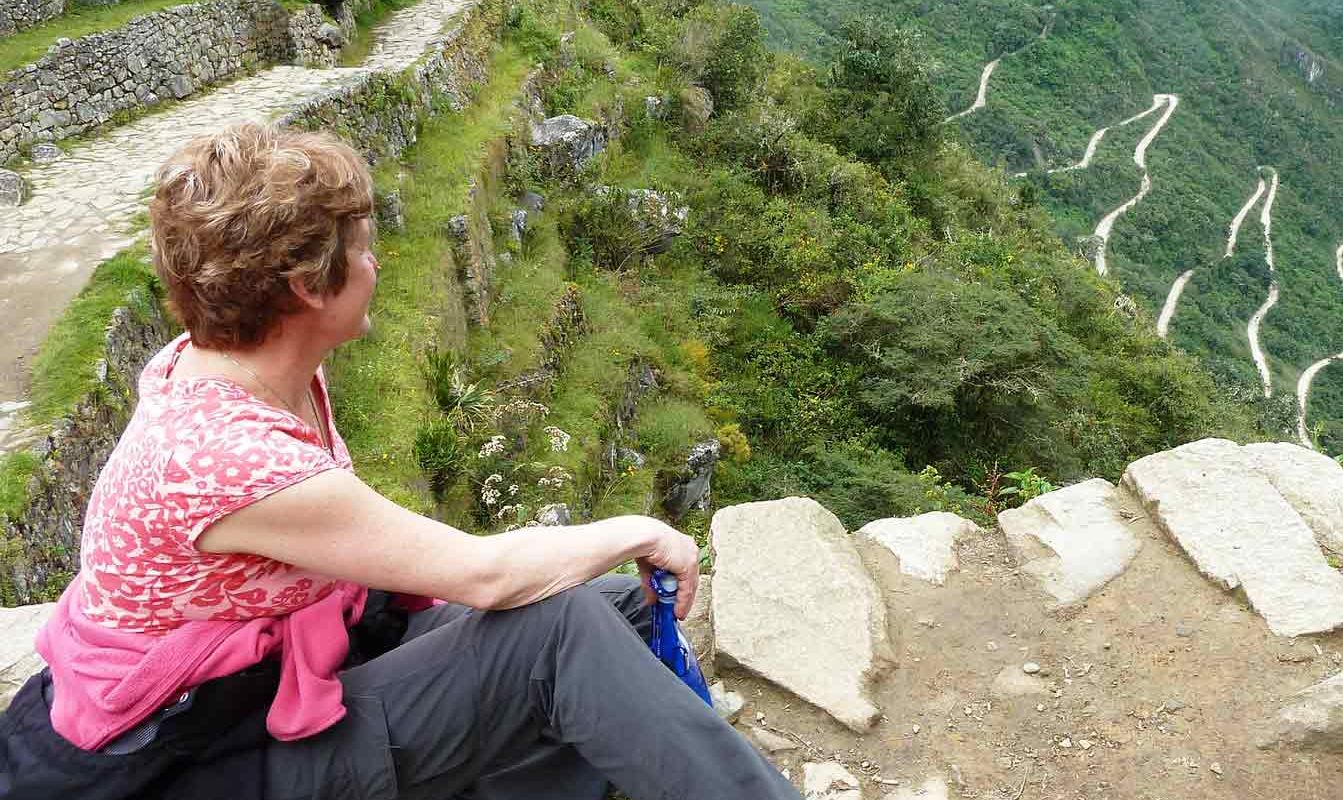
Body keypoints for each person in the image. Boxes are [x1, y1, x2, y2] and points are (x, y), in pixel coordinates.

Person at [0, 121, 800, 800]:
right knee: (556, 632)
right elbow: (482, 574)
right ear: (308, 286)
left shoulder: (246, 363)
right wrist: (638, 527)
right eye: (364, 248)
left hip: (279, 673)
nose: (377, 265)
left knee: (613, 607)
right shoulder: (224, 457)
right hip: (216, 758)